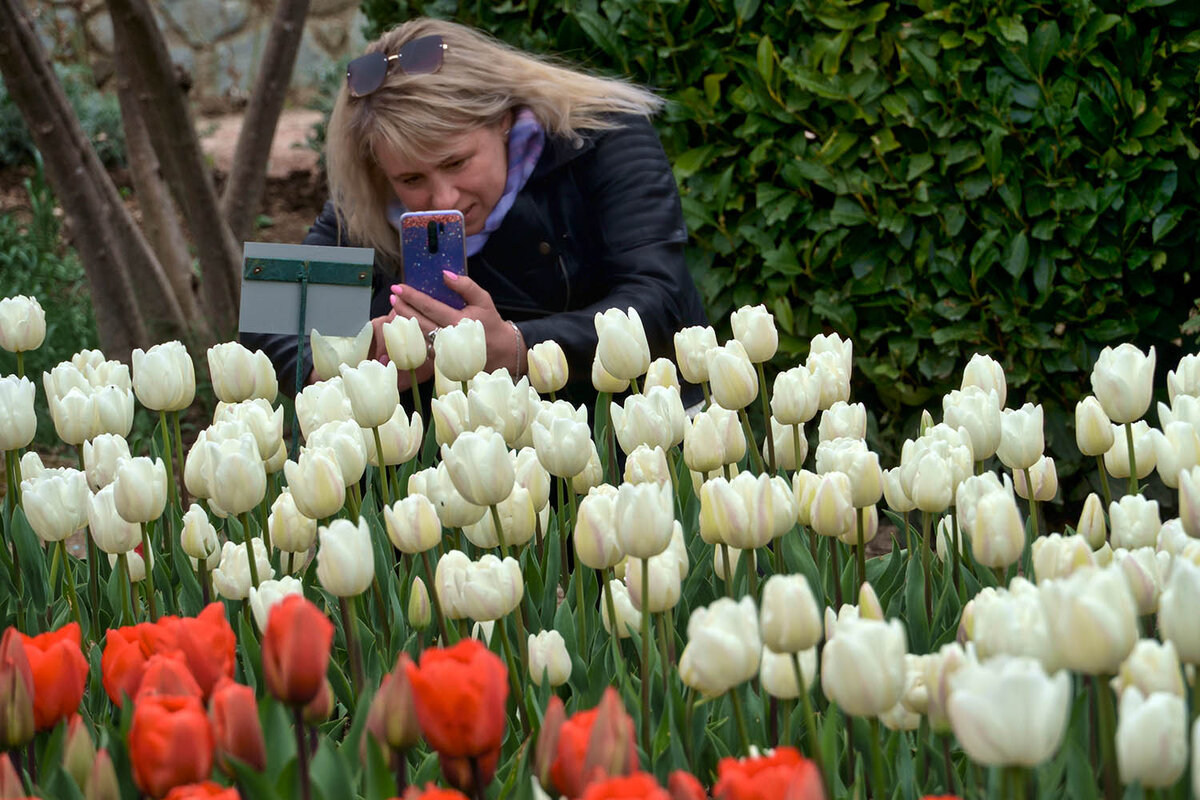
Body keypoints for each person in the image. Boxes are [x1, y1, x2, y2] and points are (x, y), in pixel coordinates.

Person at [244, 17, 708, 409]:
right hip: (458, 466)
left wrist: (516, 347)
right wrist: (342, 363)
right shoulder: (369, 202)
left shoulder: (602, 140)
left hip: (624, 425)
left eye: (456, 162)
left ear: (504, 118)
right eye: (411, 180)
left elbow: (659, 298)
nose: (442, 197)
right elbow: (272, 317)